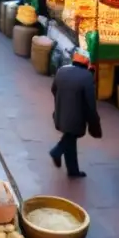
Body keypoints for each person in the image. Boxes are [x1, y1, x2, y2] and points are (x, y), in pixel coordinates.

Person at [50, 49, 101, 179]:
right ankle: (57, 151)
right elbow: (90, 103)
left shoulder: (62, 70)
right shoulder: (86, 77)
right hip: (76, 116)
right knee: (70, 137)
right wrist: (94, 122)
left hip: (60, 112)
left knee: (70, 139)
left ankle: (73, 171)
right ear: (86, 63)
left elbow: (53, 89)